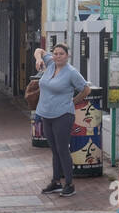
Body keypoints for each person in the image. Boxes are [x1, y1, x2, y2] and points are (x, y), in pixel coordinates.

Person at [34, 43, 90, 197]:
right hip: (46, 114)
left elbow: (86, 89)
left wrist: (73, 101)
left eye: (61, 54)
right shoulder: (50, 64)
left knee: (62, 149)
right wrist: (39, 59)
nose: (57, 56)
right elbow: (38, 50)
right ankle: (56, 181)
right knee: (54, 149)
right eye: (55, 53)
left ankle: (69, 184)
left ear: (67, 56)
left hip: (63, 115)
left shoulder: (71, 72)